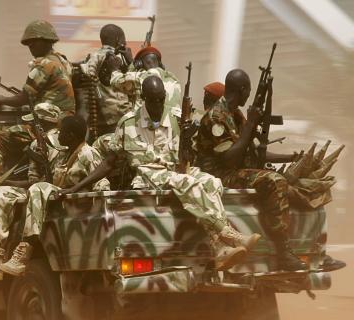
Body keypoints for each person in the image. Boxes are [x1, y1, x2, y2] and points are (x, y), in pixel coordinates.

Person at [61, 76, 260, 271]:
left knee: (211, 182)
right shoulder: (128, 123)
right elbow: (109, 163)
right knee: (187, 184)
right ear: (144, 98)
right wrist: (78, 187)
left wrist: (188, 138)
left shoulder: (176, 118)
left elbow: (190, 155)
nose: (158, 104)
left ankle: (219, 247)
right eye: (153, 100)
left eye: (161, 99)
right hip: (148, 176)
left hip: (175, 171)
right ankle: (226, 233)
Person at [196, 69, 308, 271]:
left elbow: (255, 151)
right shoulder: (216, 117)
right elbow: (229, 160)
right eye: (248, 91)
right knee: (274, 181)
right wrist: (250, 126)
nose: (249, 96)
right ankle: (283, 252)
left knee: (287, 179)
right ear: (242, 90)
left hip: (235, 171)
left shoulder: (235, 115)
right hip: (219, 176)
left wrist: (291, 157)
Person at [0, 115, 110, 277]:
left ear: (70, 136)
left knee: (38, 188)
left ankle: (26, 245)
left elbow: (102, 184)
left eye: (61, 132)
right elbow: (49, 182)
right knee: (28, 188)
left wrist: (78, 192)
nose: (57, 135)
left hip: (76, 213)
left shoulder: (88, 154)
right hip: (57, 210)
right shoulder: (63, 155)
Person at [0, 103, 63, 280]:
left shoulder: (59, 142)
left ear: (43, 124)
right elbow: (33, 180)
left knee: (2, 194)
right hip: (37, 189)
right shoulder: (36, 144)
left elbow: (47, 180)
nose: (29, 127)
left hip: (53, 191)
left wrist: (7, 182)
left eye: (34, 124)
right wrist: (4, 182)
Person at [0, 20, 75, 182]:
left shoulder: (44, 63)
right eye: (28, 44)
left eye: (33, 43)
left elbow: (23, 97)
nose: (30, 47)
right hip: (65, 124)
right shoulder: (63, 62)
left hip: (46, 126)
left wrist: (1, 99)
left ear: (45, 40)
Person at [79, 24, 131, 136]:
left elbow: (87, 75)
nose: (125, 43)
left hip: (101, 115)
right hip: (119, 115)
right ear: (118, 39)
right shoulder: (119, 57)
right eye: (124, 39)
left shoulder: (94, 56)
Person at [108, 46, 182, 116]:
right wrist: (131, 63)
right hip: (170, 125)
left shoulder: (142, 78)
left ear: (139, 64)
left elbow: (116, 81)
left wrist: (114, 69)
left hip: (148, 126)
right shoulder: (173, 79)